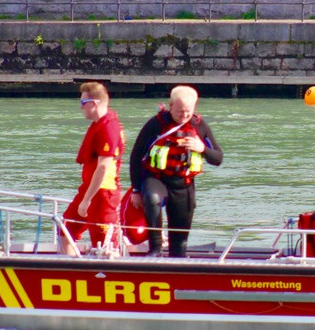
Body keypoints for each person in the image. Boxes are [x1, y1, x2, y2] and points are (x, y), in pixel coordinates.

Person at [128, 85, 223, 257]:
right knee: (152, 198)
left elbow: (218, 159)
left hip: (183, 185)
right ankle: (155, 248)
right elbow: (135, 157)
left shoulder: (200, 127)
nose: (183, 116)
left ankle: (177, 259)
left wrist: (201, 148)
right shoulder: (156, 124)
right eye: (179, 111)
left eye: (188, 111)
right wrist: (136, 190)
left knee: (179, 245)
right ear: (171, 105)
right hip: (157, 179)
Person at [62, 81, 125, 255]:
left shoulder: (108, 127)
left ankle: (106, 276)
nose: (81, 107)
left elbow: (104, 167)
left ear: (95, 103)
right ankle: (71, 272)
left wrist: (87, 199)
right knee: (66, 229)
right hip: (88, 189)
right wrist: (85, 197)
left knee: (105, 244)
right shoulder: (99, 124)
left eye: (83, 103)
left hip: (102, 193)